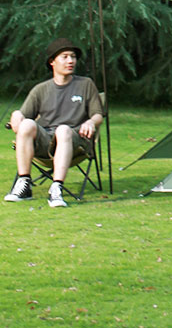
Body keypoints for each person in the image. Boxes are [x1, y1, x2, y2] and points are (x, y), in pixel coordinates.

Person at [5, 38, 103, 208]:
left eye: (73, 57)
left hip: (75, 139)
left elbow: (98, 114)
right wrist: (16, 114)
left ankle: (56, 188)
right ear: (52, 62)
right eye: (64, 57)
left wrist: (91, 122)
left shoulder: (86, 84)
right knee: (27, 124)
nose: (71, 61)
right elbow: (24, 115)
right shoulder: (41, 89)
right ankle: (24, 184)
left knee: (63, 130)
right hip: (46, 141)